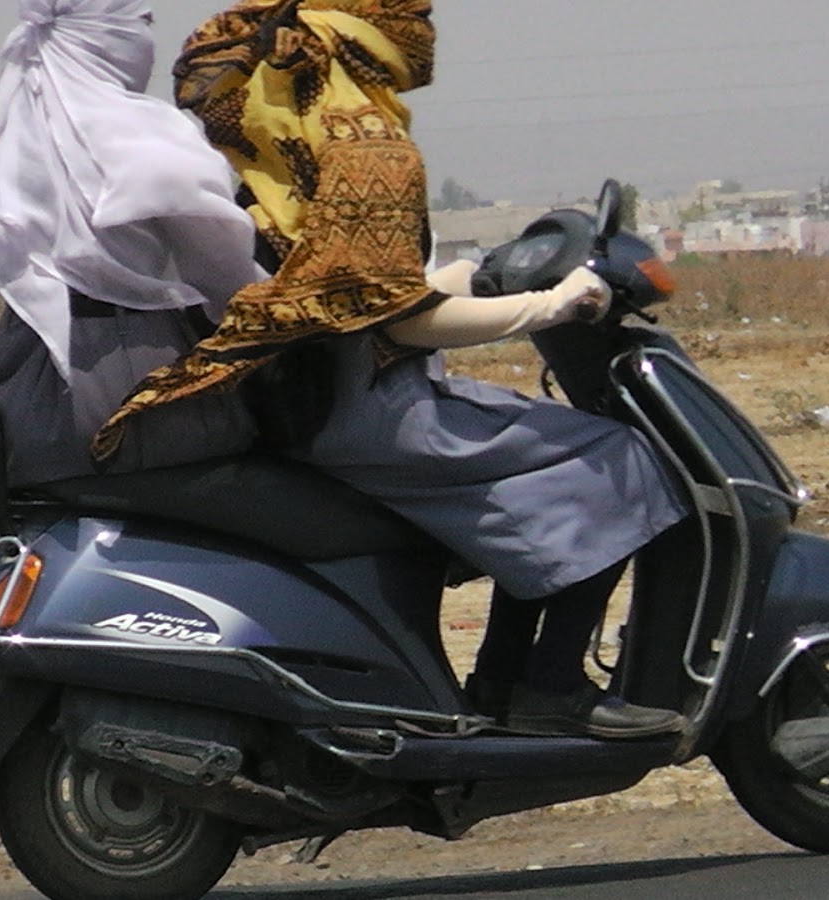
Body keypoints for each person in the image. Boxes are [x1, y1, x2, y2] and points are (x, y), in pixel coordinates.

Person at [92, 0, 691, 738]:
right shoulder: (365, 143)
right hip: (372, 409)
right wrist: (553, 302)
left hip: (307, 396)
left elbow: (354, 290)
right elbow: (405, 321)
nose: (424, 26)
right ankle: (553, 682)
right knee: (620, 459)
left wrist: (470, 275)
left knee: (547, 483)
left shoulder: (273, 115)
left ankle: (503, 682)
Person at [0, 0, 269, 487]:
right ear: (101, 31)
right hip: (134, 381)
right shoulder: (144, 136)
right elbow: (226, 277)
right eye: (142, 22)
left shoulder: (7, 130)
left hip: (27, 383)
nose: (148, 38)